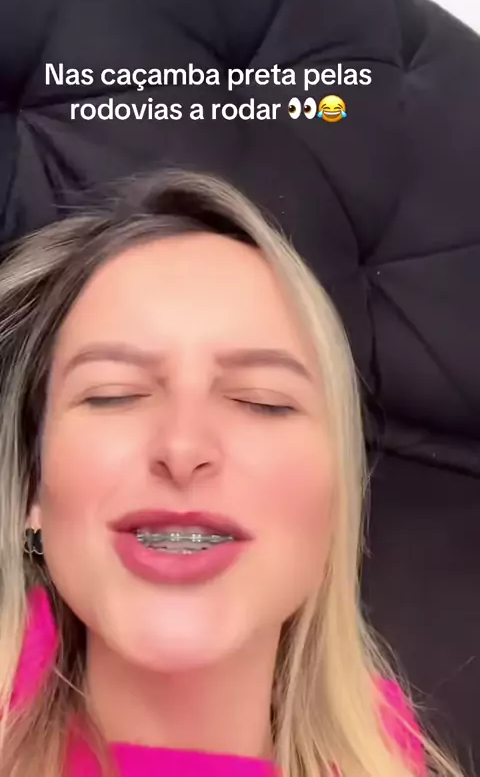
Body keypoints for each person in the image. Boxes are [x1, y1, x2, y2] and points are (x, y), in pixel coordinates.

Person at [0, 170, 464, 777]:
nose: (182, 446)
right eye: (114, 394)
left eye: (260, 400)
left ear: (334, 502)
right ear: (33, 487)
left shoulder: (384, 748)